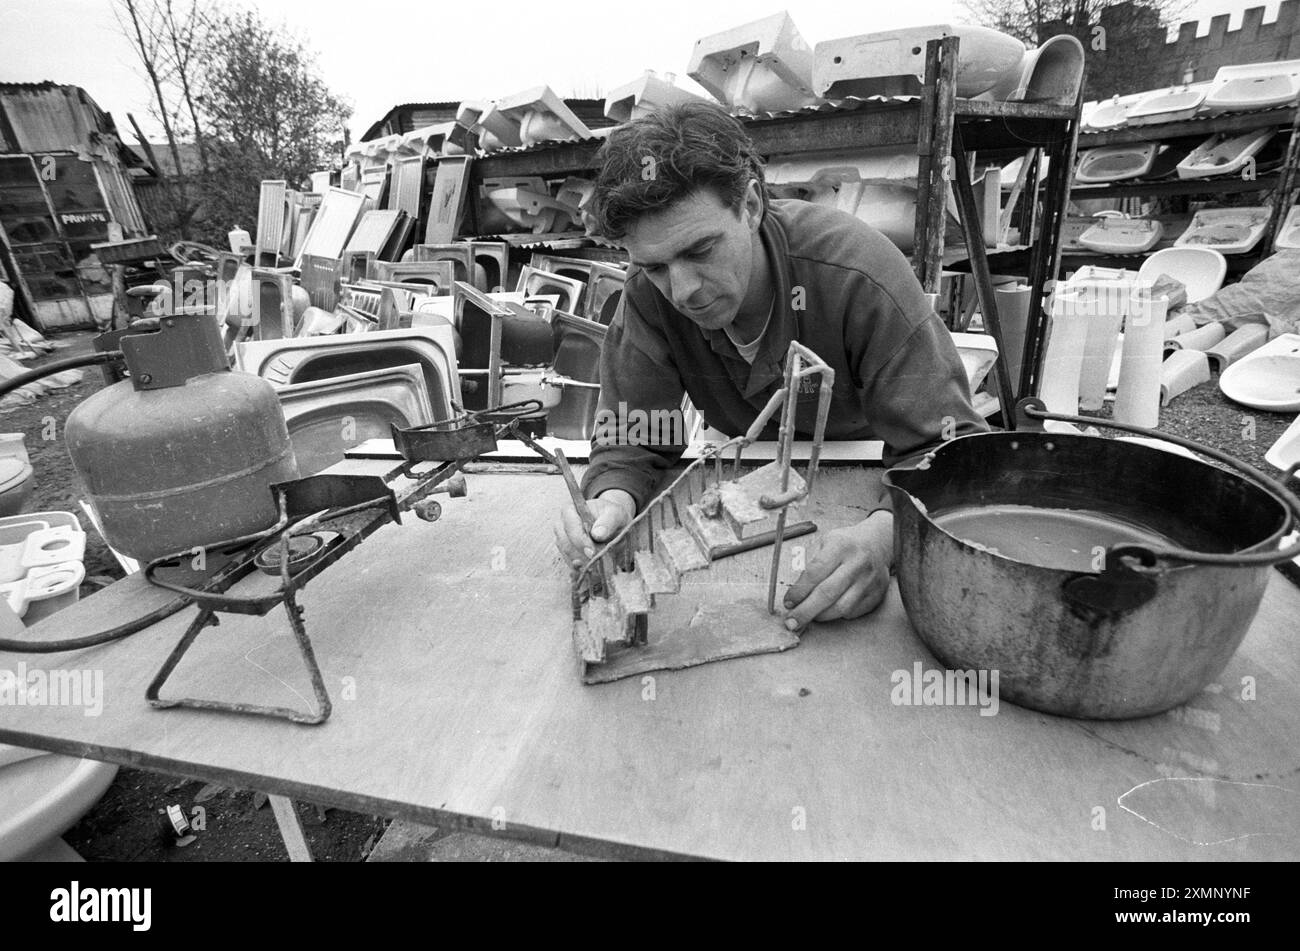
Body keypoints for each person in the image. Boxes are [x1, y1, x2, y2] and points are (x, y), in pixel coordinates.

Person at [553, 102, 987, 631]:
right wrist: (612, 500)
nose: (683, 290)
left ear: (752, 204)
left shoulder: (859, 274)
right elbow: (634, 435)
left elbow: (947, 451)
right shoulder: (649, 294)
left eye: (701, 250)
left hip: (867, 467)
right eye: (655, 266)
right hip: (744, 465)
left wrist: (883, 537)